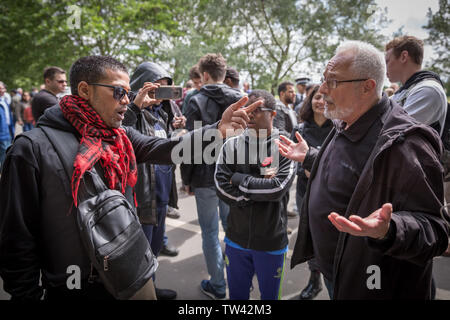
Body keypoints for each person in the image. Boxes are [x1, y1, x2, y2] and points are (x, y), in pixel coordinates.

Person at [0, 55, 262, 300]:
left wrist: (217, 131)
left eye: (128, 92)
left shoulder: (119, 136)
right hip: (71, 285)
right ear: (84, 90)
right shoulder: (31, 149)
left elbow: (166, 150)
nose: (127, 100)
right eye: (118, 92)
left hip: (127, 270)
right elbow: (17, 240)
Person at [276, 41, 449, 299]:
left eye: (333, 82)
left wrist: (390, 230)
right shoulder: (347, 119)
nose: (322, 90)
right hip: (339, 273)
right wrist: (311, 157)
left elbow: (436, 231)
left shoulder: (405, 144)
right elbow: (351, 168)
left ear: (367, 87)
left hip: (375, 286)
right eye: (324, 80)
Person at [215, 89, 296, 300]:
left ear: (273, 114)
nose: (249, 114)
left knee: (269, 298)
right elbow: (221, 185)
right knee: (237, 297)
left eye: (257, 109)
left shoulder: (286, 147)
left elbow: (277, 189)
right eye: (246, 109)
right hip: (236, 239)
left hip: (271, 242)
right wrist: (251, 196)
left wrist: (239, 179)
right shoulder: (231, 144)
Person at [182, 53, 243, 300]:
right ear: (223, 73)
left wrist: (187, 179)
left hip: (206, 175)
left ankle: (218, 285)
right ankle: (238, 278)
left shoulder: (194, 98)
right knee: (232, 228)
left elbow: (190, 144)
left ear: (204, 75)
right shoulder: (240, 98)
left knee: (209, 231)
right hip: (234, 174)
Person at [124, 61, 187, 300]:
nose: (159, 94)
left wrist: (174, 127)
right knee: (141, 255)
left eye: (164, 89)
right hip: (142, 199)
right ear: (140, 87)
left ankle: (152, 288)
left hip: (161, 198)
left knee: (155, 249)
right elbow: (120, 132)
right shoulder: (133, 113)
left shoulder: (161, 115)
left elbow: (162, 148)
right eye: (155, 88)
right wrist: (135, 106)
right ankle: (141, 293)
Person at [291, 85, 333, 299]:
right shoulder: (300, 128)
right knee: (310, 235)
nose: (321, 101)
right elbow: (290, 158)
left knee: (329, 236)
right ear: (310, 100)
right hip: (304, 190)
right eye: (317, 97)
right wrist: (303, 169)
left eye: (325, 98)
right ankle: (314, 280)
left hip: (330, 191)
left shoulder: (338, 128)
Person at [385, 35, 447, 136]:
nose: (385, 67)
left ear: (403, 57)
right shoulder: (406, 91)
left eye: (387, 61)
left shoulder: (428, 90)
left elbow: (392, 133)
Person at [0, 81, 12, 170]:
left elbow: (8, 118)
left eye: (4, 88)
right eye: (2, 88)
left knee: (7, 155)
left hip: (7, 132)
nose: (4, 90)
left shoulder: (4, 100)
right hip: (2, 135)